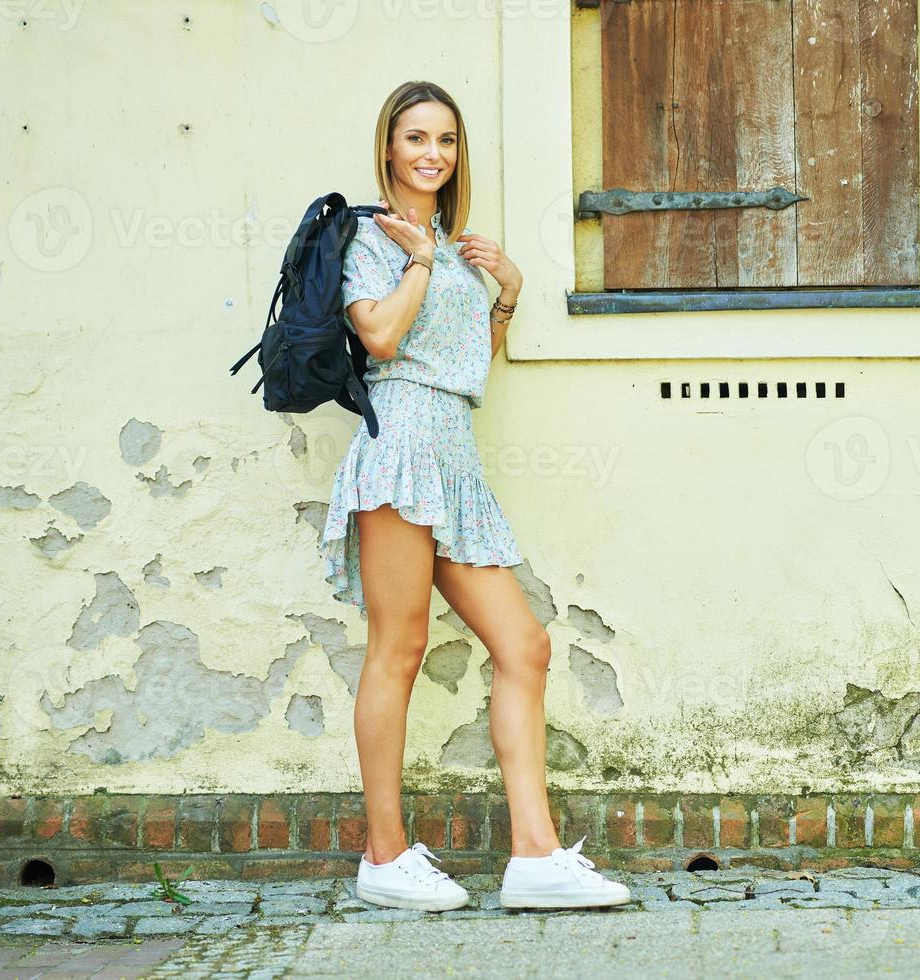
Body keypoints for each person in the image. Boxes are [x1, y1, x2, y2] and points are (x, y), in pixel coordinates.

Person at [318, 81, 629, 912]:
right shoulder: (367, 236)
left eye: (446, 141)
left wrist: (509, 293)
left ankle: (536, 857)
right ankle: (383, 858)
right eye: (416, 138)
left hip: (451, 451)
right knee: (399, 648)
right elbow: (380, 336)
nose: (432, 153)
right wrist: (418, 257)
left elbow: (466, 369)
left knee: (524, 646)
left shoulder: (452, 247)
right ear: (388, 148)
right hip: (399, 452)